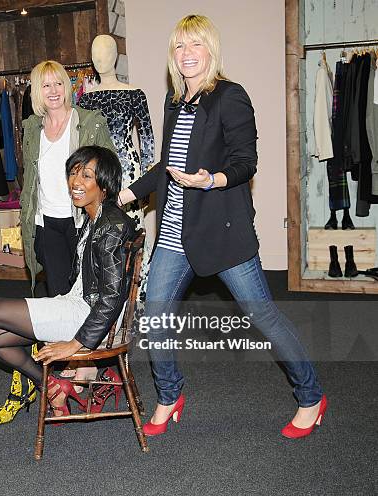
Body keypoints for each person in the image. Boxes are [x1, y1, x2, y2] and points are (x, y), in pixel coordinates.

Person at [118, 14, 327, 439]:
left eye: (195, 45)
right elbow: (167, 166)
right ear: (172, 56)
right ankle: (169, 394)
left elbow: (244, 163)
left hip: (223, 232)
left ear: (210, 50)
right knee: (155, 316)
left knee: (263, 315)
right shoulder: (174, 101)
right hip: (175, 234)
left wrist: (210, 179)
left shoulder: (230, 96)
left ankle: (311, 397)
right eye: (179, 46)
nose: (187, 54)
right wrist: (125, 194)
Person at [0, 60, 116, 425]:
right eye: (46, 86)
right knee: (58, 297)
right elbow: (31, 180)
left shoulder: (89, 121)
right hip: (46, 224)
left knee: (86, 296)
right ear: (37, 93)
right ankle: (63, 375)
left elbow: (107, 172)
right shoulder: (30, 127)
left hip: (80, 223)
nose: (54, 91)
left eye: (59, 83)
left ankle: (83, 369)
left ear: (68, 86)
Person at [0, 145, 135, 416]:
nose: (76, 182)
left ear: (105, 185)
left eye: (86, 175)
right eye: (73, 174)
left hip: (88, 317)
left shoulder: (112, 225)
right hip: (78, 305)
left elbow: (111, 298)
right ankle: (52, 385)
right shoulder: (94, 218)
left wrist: (76, 343)